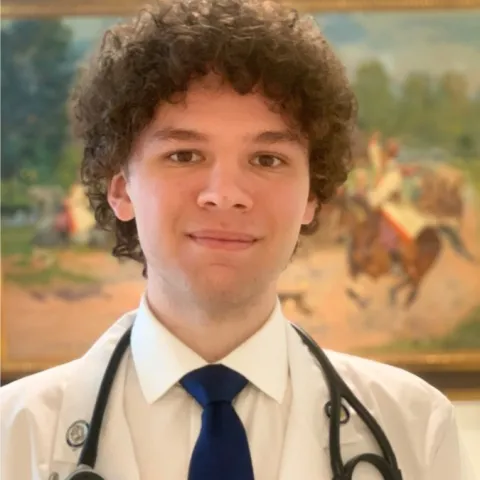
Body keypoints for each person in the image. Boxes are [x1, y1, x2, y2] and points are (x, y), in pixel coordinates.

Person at [1, 0, 476, 479]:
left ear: (312, 196)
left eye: (267, 160)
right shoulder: (15, 434)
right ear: (121, 190)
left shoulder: (414, 428)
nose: (225, 194)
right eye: (184, 155)